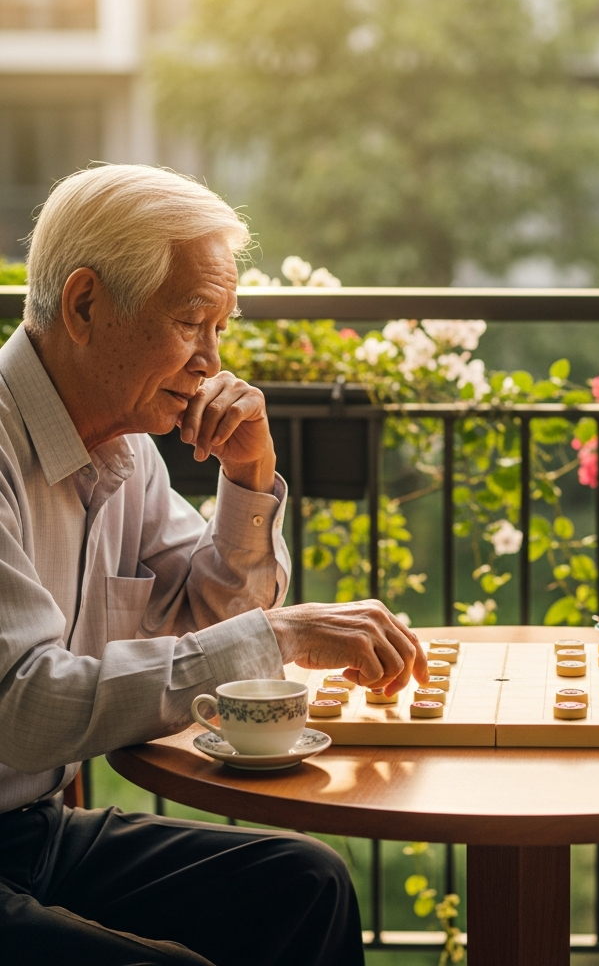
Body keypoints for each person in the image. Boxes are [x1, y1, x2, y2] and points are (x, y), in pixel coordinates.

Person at [0, 164, 429, 966]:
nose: (212, 361)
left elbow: (209, 627)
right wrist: (282, 634)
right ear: (85, 305)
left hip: (33, 832)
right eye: (193, 321)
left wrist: (248, 479)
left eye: (220, 328)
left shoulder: (126, 450)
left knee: (306, 883)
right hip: (17, 828)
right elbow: (21, 709)